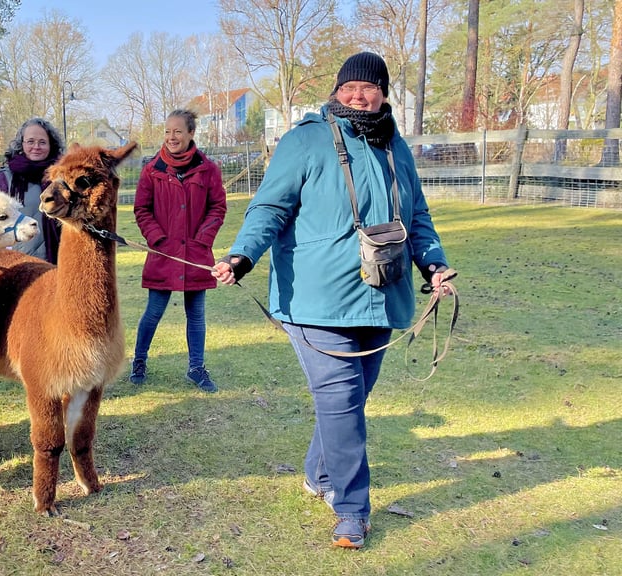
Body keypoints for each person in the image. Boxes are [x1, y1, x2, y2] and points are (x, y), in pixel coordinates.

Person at [211, 52, 453, 549]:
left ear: (384, 94)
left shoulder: (397, 148)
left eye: (369, 88)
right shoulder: (306, 140)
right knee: (343, 403)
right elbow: (270, 207)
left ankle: (317, 474)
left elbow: (418, 215)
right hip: (317, 299)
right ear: (336, 92)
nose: (358, 96)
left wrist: (434, 263)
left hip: (383, 295)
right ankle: (350, 508)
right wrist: (241, 257)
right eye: (350, 87)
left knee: (350, 400)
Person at [130, 108, 227, 393]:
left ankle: (196, 367)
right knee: (153, 311)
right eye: (168, 131)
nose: (172, 137)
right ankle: (139, 360)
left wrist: (202, 239)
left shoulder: (208, 169)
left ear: (191, 133)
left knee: (196, 313)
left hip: (196, 254)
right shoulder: (152, 170)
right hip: (164, 254)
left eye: (178, 131)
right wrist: (157, 239)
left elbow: (217, 207)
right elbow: (142, 209)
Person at [0, 117, 65, 263]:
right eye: (30, 141)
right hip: (19, 263)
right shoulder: (6, 178)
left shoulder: (63, 177)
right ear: (21, 144)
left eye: (42, 142)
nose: (36, 146)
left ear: (51, 145)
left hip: (59, 260)